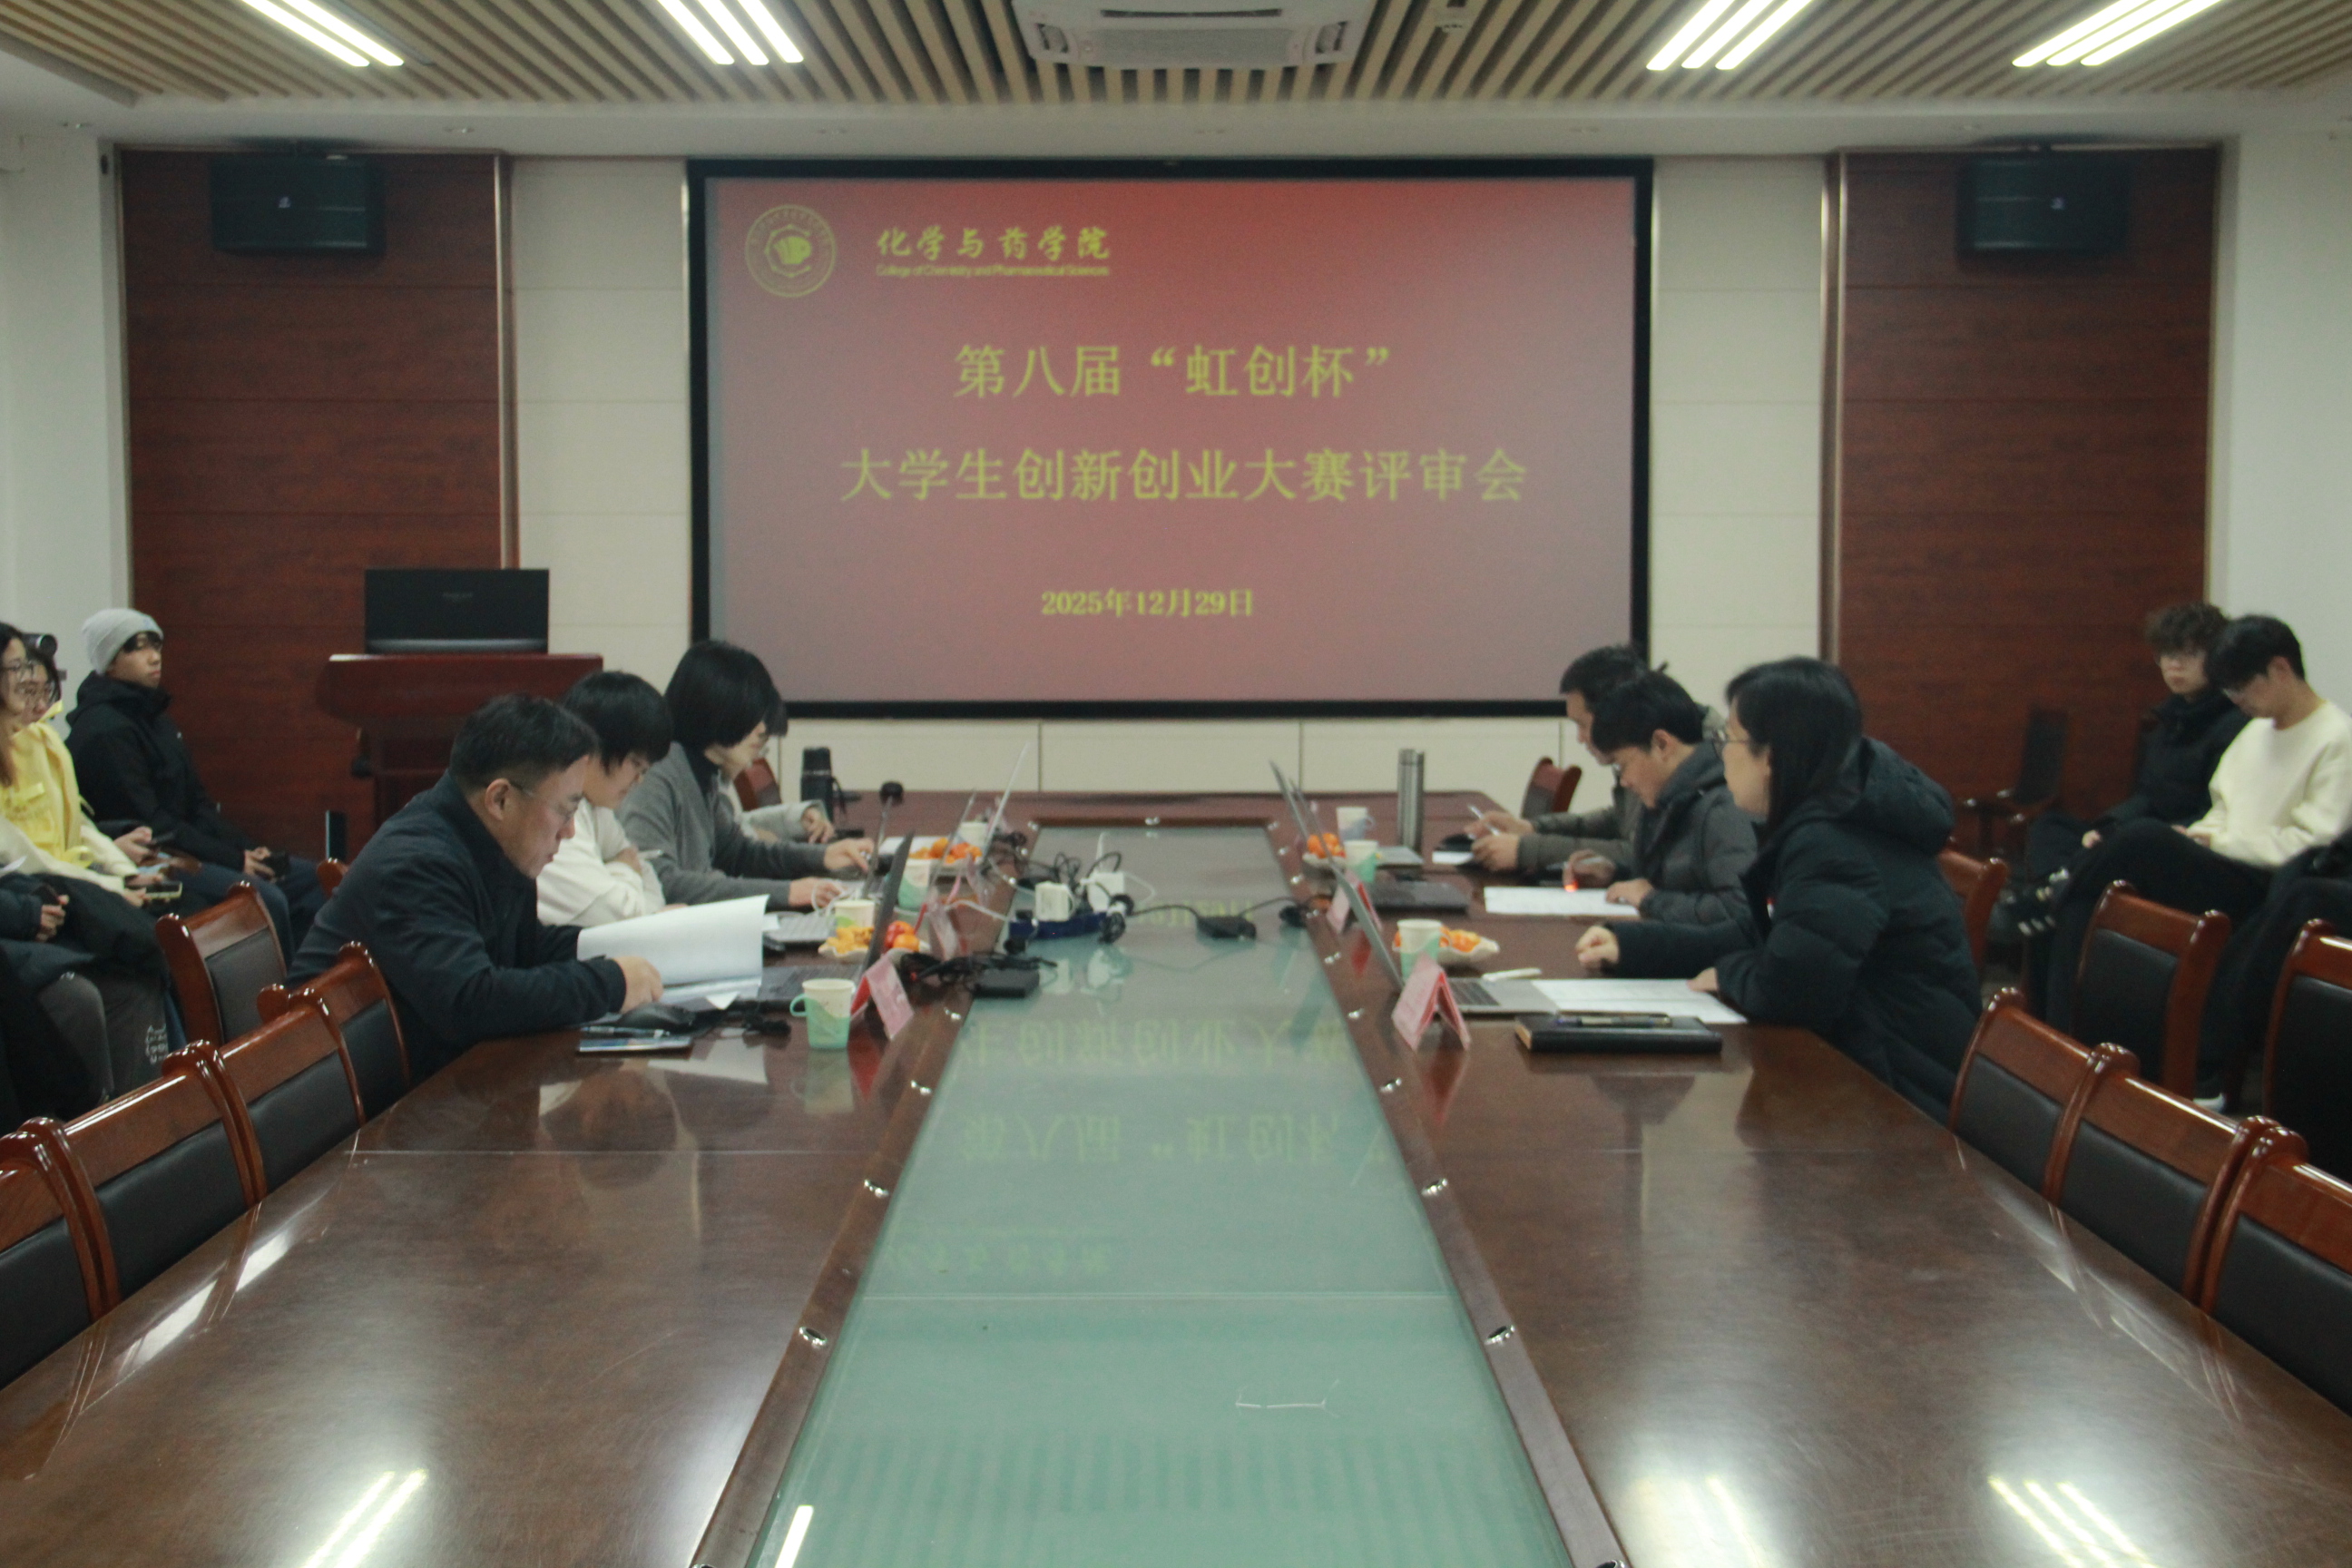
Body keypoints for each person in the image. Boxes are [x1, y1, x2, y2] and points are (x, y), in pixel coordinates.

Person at [1576, 658, 1981, 1118]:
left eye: (1729, 738)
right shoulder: (1824, 818)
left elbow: (1792, 991)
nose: (1720, 753)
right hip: (1862, 1068)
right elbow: (1766, 935)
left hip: (1900, 1097)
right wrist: (1635, 947)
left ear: (1770, 757)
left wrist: (1729, 975)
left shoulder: (1836, 844)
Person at [287, 694, 665, 1082]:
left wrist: (626, 948)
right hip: (352, 1103)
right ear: (500, 799)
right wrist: (609, 983)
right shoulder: (416, 862)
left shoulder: (490, 842)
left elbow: (524, 949)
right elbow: (469, 1002)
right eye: (565, 811)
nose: (569, 832)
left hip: (430, 1083)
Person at [2041, 615, 2352, 1030]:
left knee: (2141, 838)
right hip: (2225, 861)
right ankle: (2067, 1031)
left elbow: (2314, 845)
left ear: (2280, 669)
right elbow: (2222, 806)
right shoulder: (2257, 731)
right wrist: (2200, 834)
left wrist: (2215, 842)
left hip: (2264, 884)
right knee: (2085, 903)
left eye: (2242, 687)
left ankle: (2055, 891)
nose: (2237, 700)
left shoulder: (2337, 737)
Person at [66, 609, 327, 951]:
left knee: (311, 879)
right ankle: (277, 985)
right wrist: (234, 860)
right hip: (155, 859)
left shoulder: (156, 718)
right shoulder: (104, 732)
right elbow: (154, 825)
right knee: (266, 899)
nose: (153, 657)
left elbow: (198, 805)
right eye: (137, 648)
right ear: (110, 661)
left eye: (155, 645)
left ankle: (307, 978)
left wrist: (246, 849)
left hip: (193, 848)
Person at [2004, 603, 2248, 946]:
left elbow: (2218, 810)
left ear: (2217, 658)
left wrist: (2126, 834)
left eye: (2190, 654)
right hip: (2144, 830)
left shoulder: (2235, 724)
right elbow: (2147, 794)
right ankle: (2055, 891)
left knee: (2136, 838)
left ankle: (2053, 897)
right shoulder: (2171, 718)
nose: (2174, 665)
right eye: (2167, 654)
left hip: (2186, 842)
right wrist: (2108, 826)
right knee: (2051, 826)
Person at [621, 641, 869, 909]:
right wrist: (787, 893)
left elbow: (738, 852)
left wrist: (823, 856)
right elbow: (659, 882)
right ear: (716, 709)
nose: (762, 729)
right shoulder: (657, 773)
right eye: (751, 715)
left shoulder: (701, 772)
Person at [1576, 670, 1757, 924]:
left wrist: (1651, 900)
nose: (1624, 781)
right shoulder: (1671, 799)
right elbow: (1680, 877)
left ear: (1662, 744)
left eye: (1622, 765)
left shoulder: (1723, 808)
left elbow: (1740, 912)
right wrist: (1616, 873)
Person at [1472, 643, 1650, 877]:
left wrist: (1527, 850)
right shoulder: (1642, 754)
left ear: (1614, 715)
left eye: (1583, 725)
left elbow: (1636, 854)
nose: (1580, 738)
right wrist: (1532, 828)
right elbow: (1619, 820)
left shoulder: (1666, 762)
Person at [538, 671, 674, 928]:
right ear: (593, 747)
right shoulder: (551, 808)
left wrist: (619, 876)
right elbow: (613, 918)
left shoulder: (595, 806)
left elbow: (646, 875)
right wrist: (623, 870)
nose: (639, 780)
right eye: (635, 764)